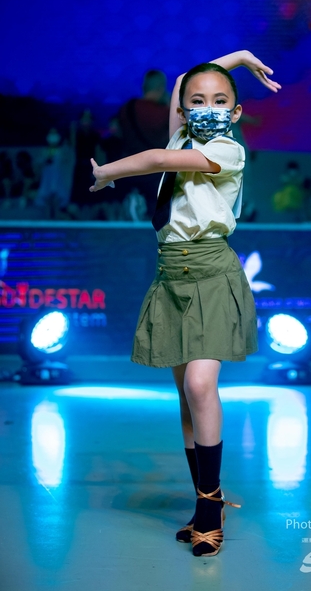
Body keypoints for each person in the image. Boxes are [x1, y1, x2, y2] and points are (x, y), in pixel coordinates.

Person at [89, 50, 280, 557]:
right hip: (171, 272)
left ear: (236, 112)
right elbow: (181, 81)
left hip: (211, 272)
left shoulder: (228, 150)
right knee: (187, 398)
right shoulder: (181, 135)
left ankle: (210, 507)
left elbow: (155, 161)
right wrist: (238, 58)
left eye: (219, 101)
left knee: (200, 385)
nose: (206, 107)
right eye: (197, 101)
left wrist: (107, 172)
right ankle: (203, 503)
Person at [118, 69, 170, 218]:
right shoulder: (165, 113)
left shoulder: (126, 109)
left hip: (129, 171)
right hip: (157, 175)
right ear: (161, 88)